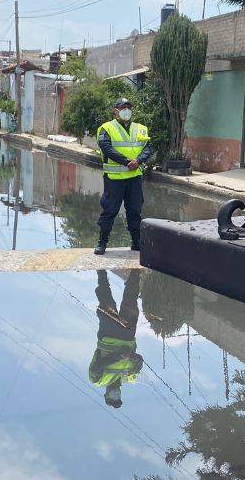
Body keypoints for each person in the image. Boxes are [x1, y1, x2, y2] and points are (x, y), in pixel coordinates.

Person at [94, 97, 152, 255]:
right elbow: (106, 148)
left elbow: (148, 148)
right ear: (116, 111)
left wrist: (138, 161)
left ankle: (136, 242)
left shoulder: (141, 128)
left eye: (128, 107)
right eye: (123, 108)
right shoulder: (106, 128)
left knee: (134, 210)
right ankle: (102, 242)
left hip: (134, 177)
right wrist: (127, 161)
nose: (126, 111)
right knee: (110, 210)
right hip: (114, 178)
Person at [89, 270, 144, 408]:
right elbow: (139, 363)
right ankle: (136, 271)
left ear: (106, 394)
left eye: (112, 397)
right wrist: (133, 357)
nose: (116, 394)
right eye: (118, 397)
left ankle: (101, 273)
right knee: (131, 301)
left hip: (109, 335)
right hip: (128, 335)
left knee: (106, 302)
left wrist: (119, 356)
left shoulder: (98, 380)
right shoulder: (127, 378)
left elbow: (97, 366)